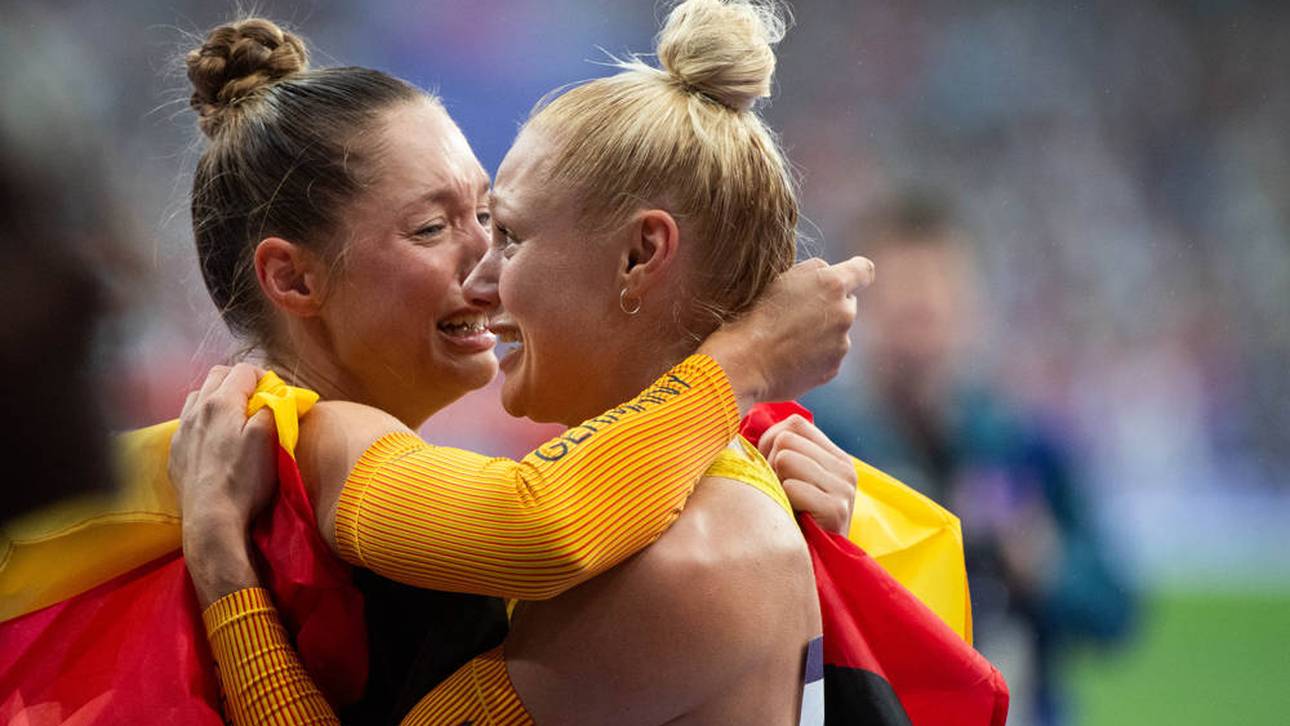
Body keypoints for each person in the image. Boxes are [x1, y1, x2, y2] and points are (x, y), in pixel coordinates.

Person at [173, 2, 907, 723]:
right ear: (294, 280)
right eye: (433, 227)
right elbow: (537, 519)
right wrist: (743, 365)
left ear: (641, 254)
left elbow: (541, 519)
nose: (482, 273)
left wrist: (223, 571)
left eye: (503, 229)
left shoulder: (693, 549)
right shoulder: (320, 443)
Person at [804, 192, 1136, 726]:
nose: (921, 332)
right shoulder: (817, 439)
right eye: (904, 308)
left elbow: (1116, 610)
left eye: (938, 304)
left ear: (972, 308)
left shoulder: (1026, 445)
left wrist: (1039, 557)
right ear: (859, 313)